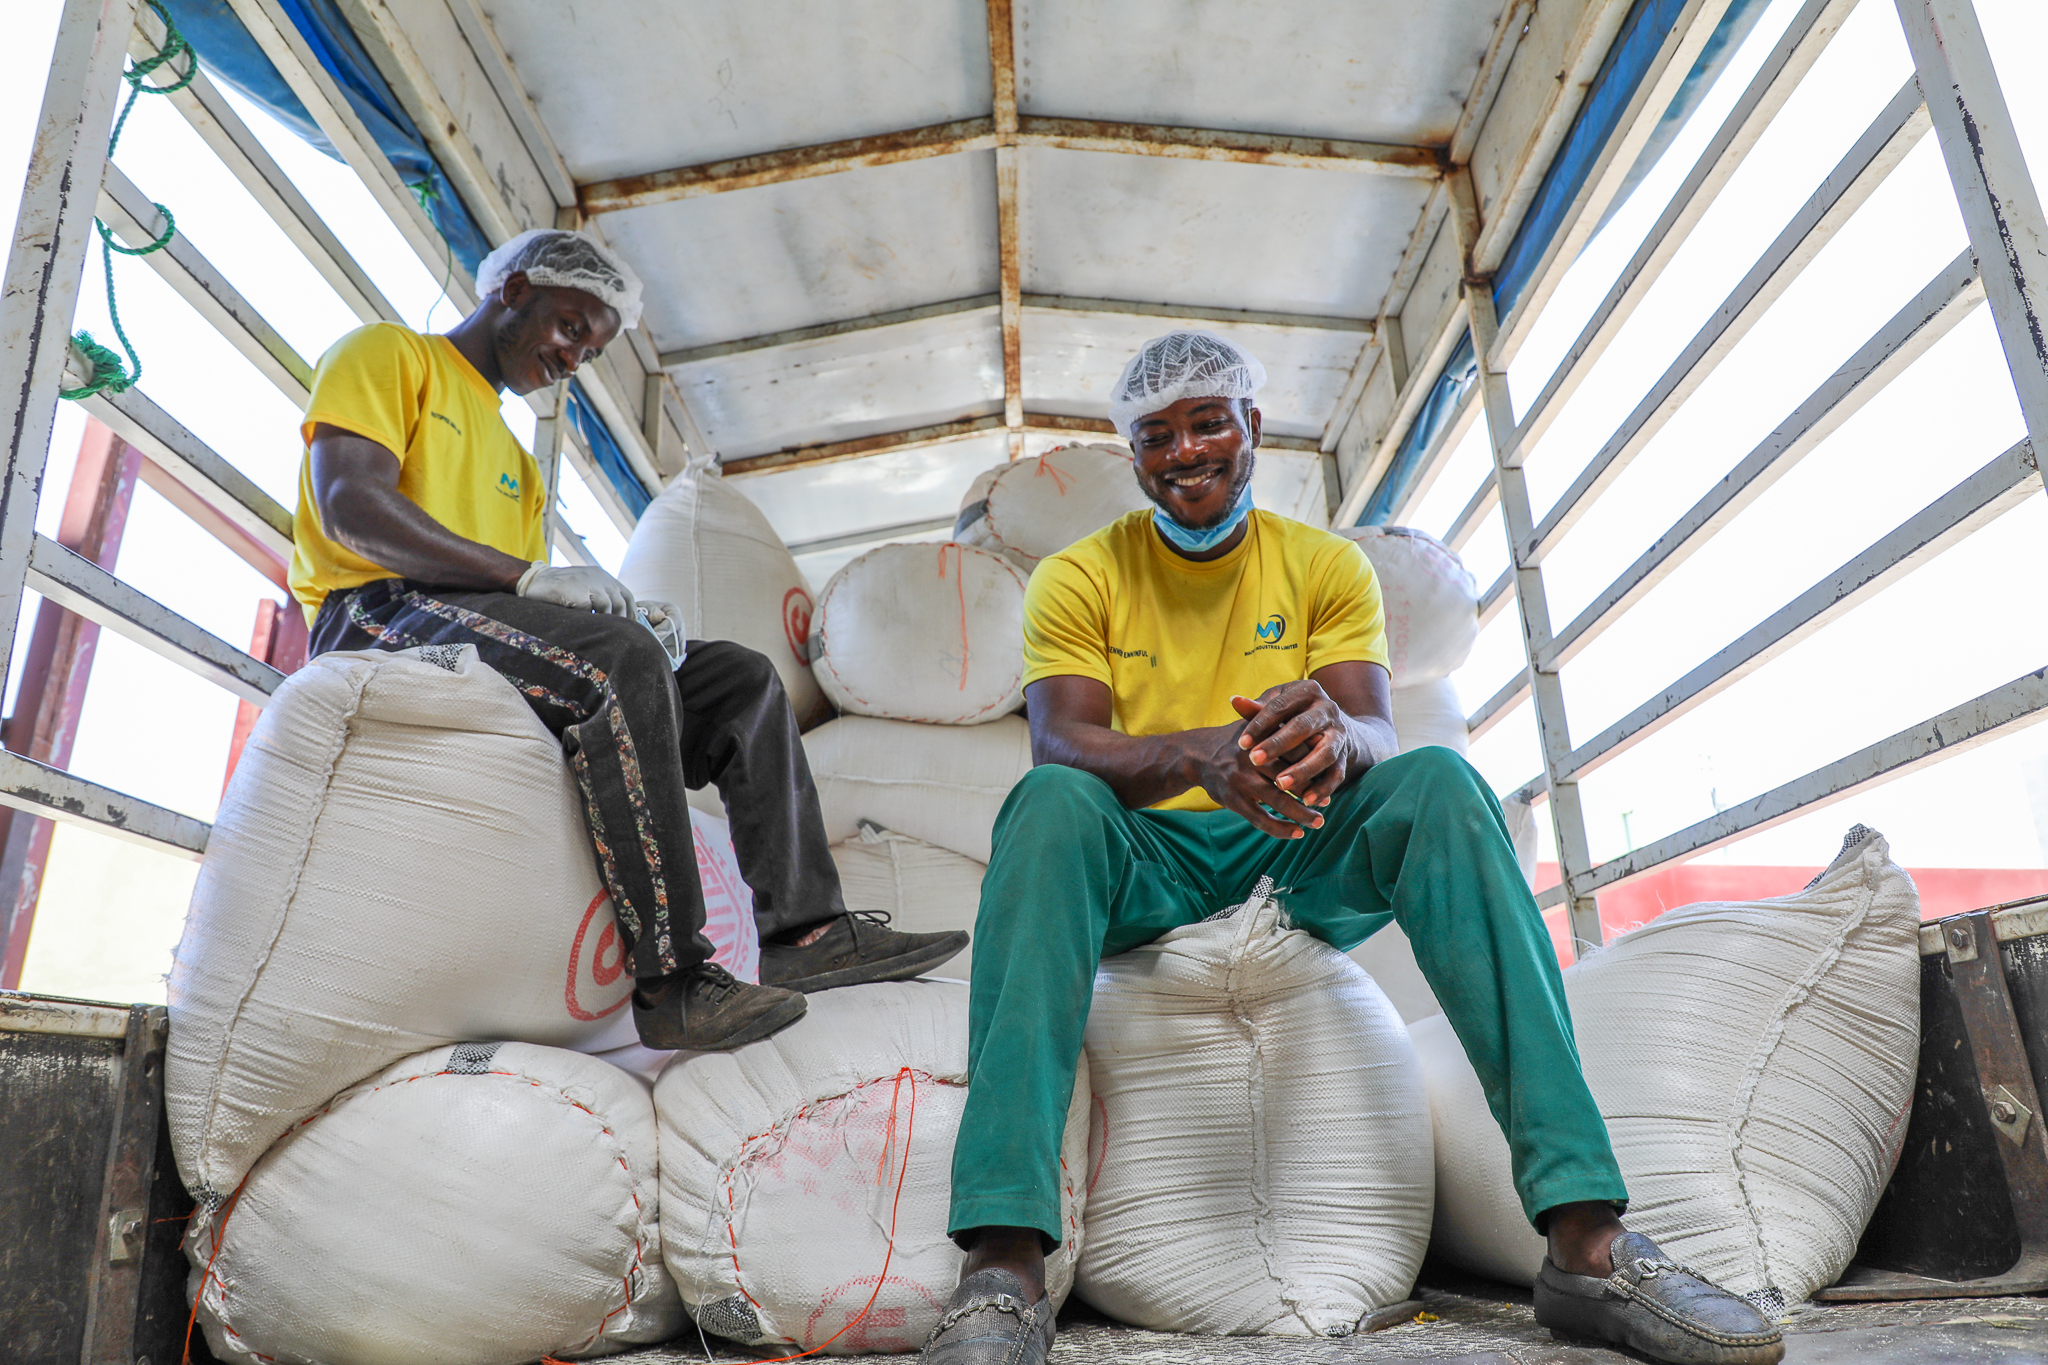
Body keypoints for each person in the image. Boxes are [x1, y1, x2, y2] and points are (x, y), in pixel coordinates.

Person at [919, 332, 1783, 1365]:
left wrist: (1334, 731)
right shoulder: (1079, 576)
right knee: (1048, 802)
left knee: (1438, 784)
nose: (1184, 451)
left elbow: (1379, 730)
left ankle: (1585, 1239)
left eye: (1207, 423)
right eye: (1156, 435)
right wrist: (1201, 755)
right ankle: (1004, 1262)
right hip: (1145, 862)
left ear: (1253, 429)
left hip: (1293, 851)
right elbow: (1063, 739)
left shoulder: (1322, 565)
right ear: (1131, 455)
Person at [289, 227, 965, 1052]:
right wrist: (530, 581)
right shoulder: (391, 356)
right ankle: (675, 981)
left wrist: (604, 618)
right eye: (572, 325)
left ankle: (809, 937)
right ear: (514, 290)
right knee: (619, 663)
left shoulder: (521, 465)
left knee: (738, 683)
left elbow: (520, 611)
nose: (576, 355)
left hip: (476, 625)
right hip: (378, 612)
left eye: (596, 346)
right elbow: (350, 508)